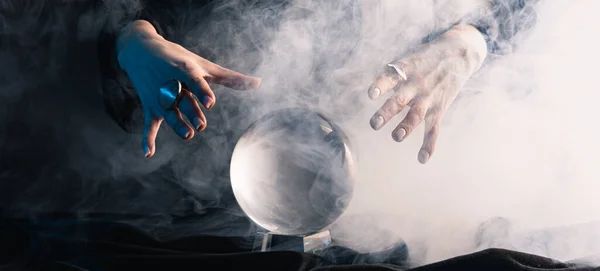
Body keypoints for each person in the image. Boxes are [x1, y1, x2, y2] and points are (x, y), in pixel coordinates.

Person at [100, 0, 539, 164]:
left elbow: (515, 13)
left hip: (378, 170)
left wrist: (473, 41)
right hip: (201, 184)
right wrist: (131, 40)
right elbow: (106, 19)